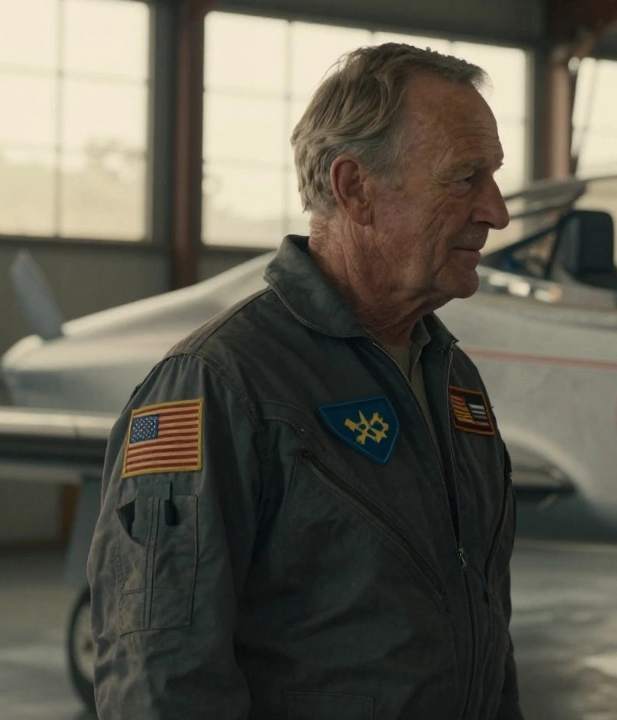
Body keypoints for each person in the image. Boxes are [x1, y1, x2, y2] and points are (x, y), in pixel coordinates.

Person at [87, 43, 521, 719]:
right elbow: (159, 675)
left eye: (492, 177)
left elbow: (484, 636)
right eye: (465, 179)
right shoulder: (216, 383)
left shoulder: (451, 377)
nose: (497, 212)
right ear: (355, 188)